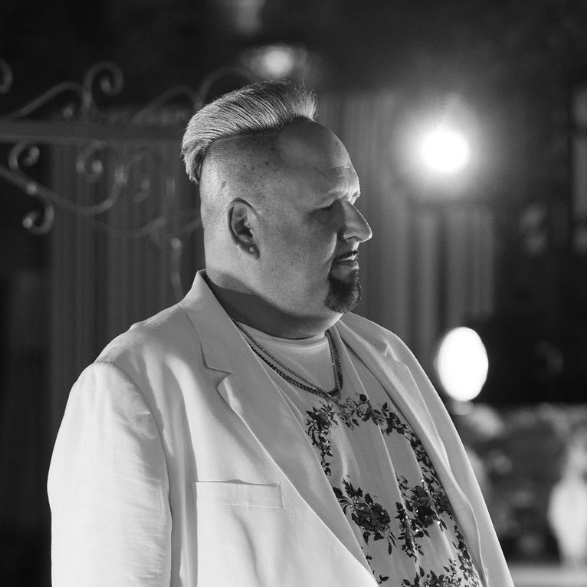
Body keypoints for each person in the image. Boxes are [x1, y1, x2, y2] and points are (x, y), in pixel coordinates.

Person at [48, 80, 513, 587]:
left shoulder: (388, 356)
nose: (360, 227)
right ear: (244, 228)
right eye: (327, 207)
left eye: (353, 200)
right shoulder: (135, 385)